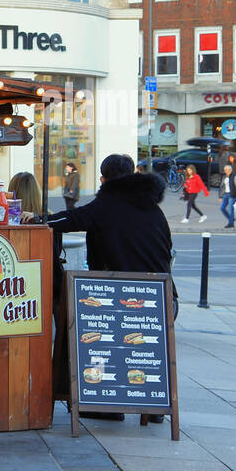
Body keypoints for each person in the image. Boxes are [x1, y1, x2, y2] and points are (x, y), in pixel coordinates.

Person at [46, 153, 175, 425]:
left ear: (103, 179)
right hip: (164, 300)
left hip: (124, 300)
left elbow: (69, 220)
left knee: (100, 332)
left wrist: (37, 219)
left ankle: (107, 404)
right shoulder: (153, 207)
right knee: (144, 343)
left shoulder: (108, 204)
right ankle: (152, 405)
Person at [219, 163, 236, 229]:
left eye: (228, 170)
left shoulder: (235, 177)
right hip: (225, 194)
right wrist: (220, 196)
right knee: (222, 208)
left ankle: (231, 223)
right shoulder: (224, 177)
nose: (227, 171)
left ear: (231, 170)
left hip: (232, 194)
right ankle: (231, 218)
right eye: (225, 170)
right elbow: (221, 187)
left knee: (230, 209)